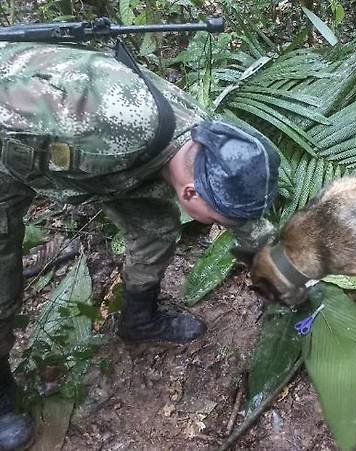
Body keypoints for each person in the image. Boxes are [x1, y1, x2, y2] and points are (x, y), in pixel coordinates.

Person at [0, 41, 280, 450]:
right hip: (11, 145)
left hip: (102, 163)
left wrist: (279, 262)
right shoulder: (105, 126)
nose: (222, 227)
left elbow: (241, 214)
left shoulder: (207, 142)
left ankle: (139, 319)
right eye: (218, 222)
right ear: (190, 194)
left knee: (155, 228)